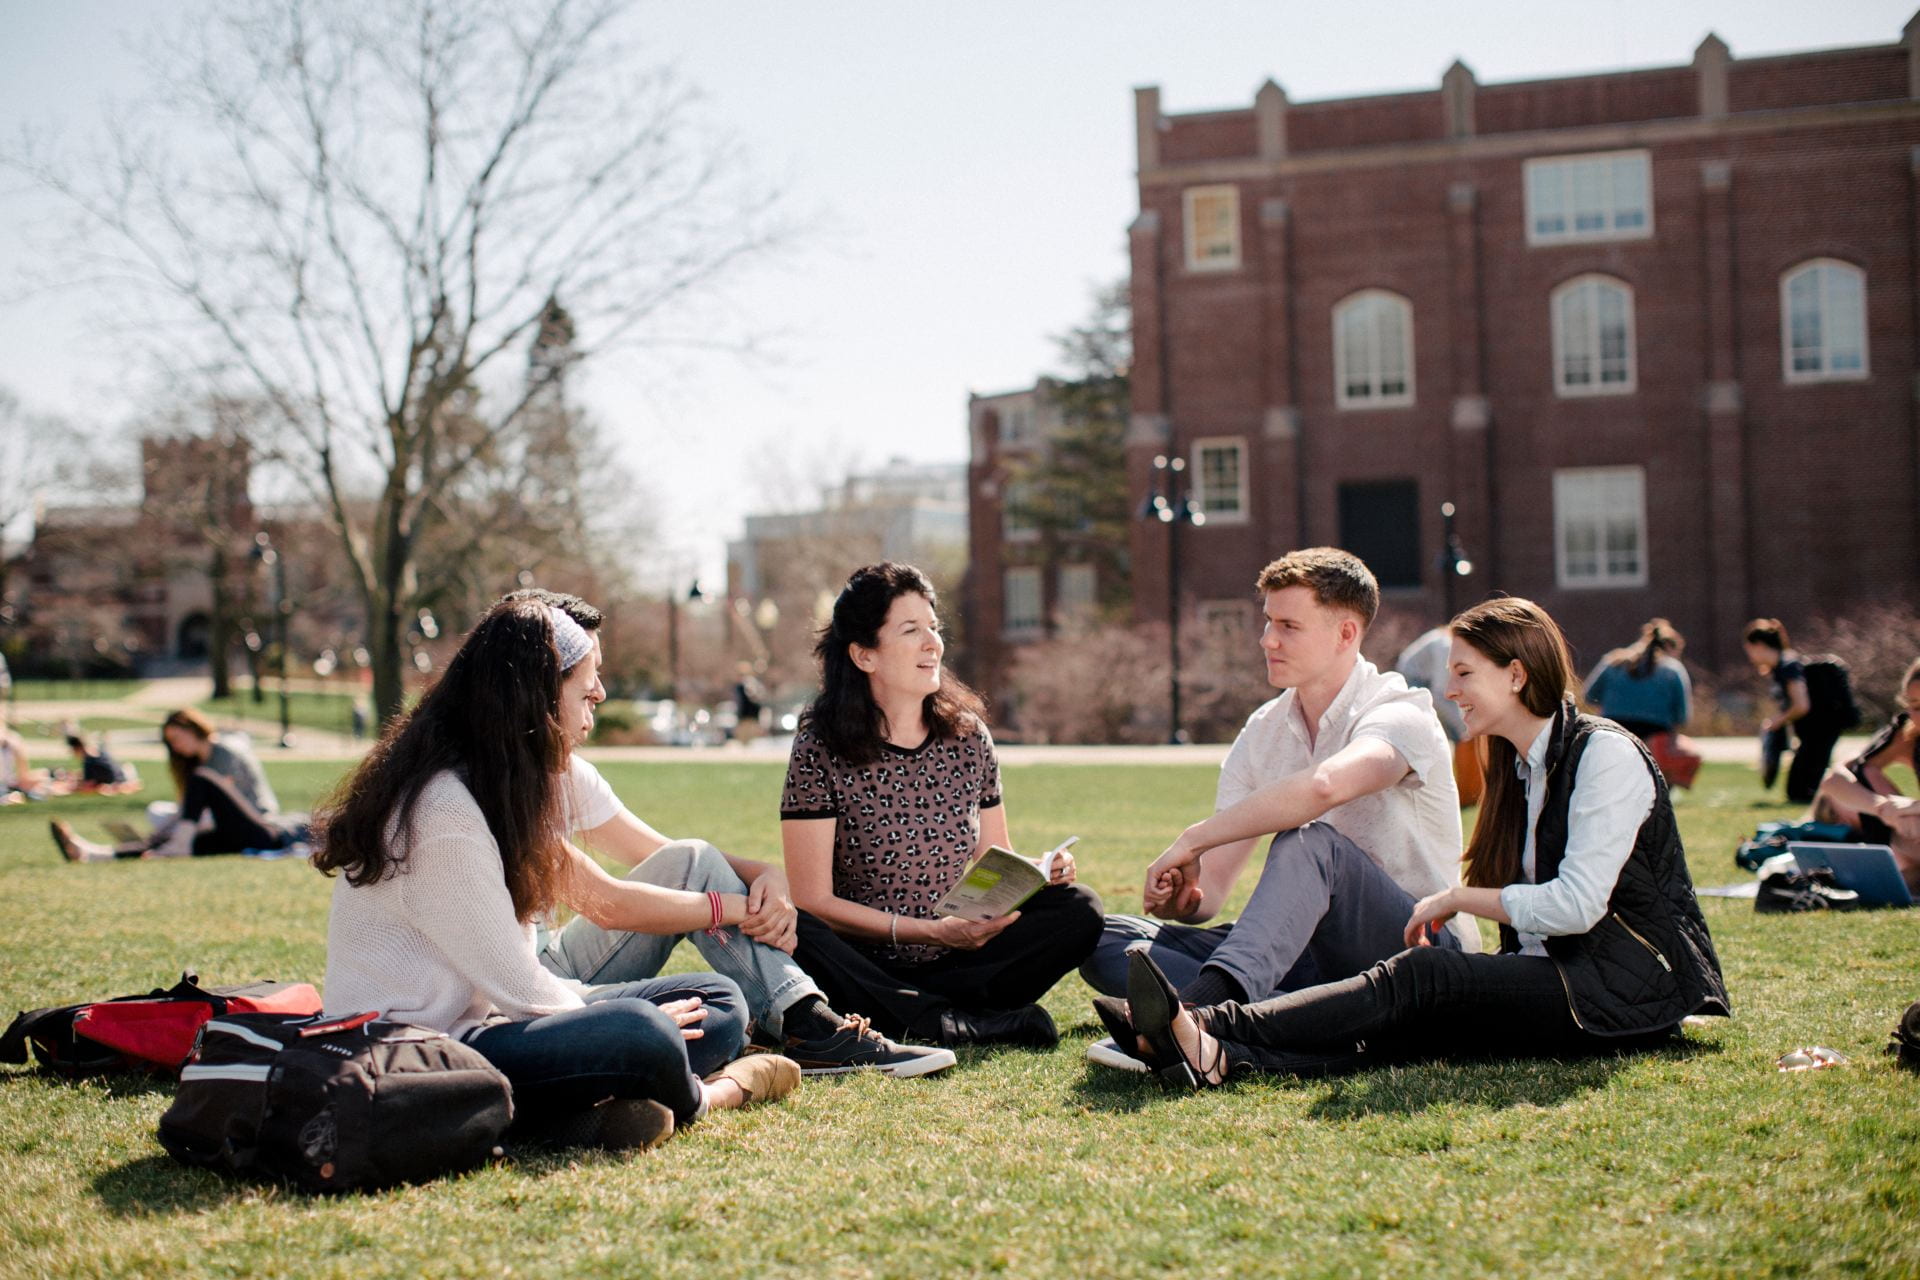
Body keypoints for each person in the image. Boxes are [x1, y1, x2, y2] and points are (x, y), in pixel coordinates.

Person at [1108, 595, 1730, 1088]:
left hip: (1619, 990)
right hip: (1551, 975)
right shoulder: (1518, 768)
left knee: (1421, 980)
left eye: (1464, 673)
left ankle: (1202, 1025)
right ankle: (1220, 1055)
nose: (1450, 690)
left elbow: (1577, 907)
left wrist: (1461, 899)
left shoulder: (1605, 756)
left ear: (1516, 675)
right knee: (1410, 1024)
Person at [315, 597, 800, 1153]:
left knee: (718, 1001)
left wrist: (612, 1013)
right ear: (537, 699)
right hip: (422, 1051)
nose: (596, 703)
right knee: (645, 1035)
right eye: (586, 691)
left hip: (489, 1024)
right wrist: (624, 1019)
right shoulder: (443, 813)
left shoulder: (498, 789)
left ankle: (573, 1110)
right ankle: (713, 1094)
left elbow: (520, 983)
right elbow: (518, 986)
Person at [507, 588, 952, 1079]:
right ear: (541, 680)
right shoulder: (490, 783)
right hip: (513, 988)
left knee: (695, 863)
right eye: (587, 674)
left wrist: (766, 873)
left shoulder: (564, 772)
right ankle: (805, 1026)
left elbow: (673, 861)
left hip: (550, 958)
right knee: (718, 1006)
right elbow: (608, 903)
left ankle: (807, 1021)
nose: (600, 690)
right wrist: (734, 907)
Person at [1079, 549, 1476, 1072]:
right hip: (1304, 956)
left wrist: (1194, 838)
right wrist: (1184, 900)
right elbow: (1212, 894)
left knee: (1310, 843)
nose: (1268, 639)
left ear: (1346, 634)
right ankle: (1288, 1015)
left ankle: (1198, 1014)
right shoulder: (1263, 731)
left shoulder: (1402, 714)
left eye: (1289, 625)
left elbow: (1328, 785)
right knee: (1104, 937)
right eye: (1268, 622)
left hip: (1413, 948)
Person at [780, 562, 1104, 1051]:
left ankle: (921, 1016)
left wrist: (1041, 871)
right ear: (864, 655)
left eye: (935, 627)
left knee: (1079, 909)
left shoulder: (969, 737)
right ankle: (950, 1021)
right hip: (865, 961)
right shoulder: (819, 747)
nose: (933, 642)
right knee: (796, 928)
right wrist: (932, 933)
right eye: (912, 630)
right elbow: (814, 900)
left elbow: (996, 858)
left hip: (960, 956)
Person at [51, 708, 304, 860]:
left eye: (176, 738)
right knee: (171, 839)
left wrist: (179, 828)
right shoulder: (196, 762)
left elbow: (224, 804)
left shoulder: (224, 752)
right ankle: (94, 854)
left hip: (257, 823)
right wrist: (166, 833)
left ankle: (179, 841)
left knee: (196, 790)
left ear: (191, 728)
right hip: (233, 835)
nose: (175, 746)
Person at [1813, 656, 1920, 894]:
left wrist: (1911, 808)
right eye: (1913, 706)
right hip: (1910, 833)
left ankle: (1906, 878)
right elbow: (1834, 779)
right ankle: (1903, 878)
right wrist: (1883, 808)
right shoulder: (1908, 732)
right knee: (1864, 771)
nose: (1917, 715)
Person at [1744, 619, 1857, 804]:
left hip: (1822, 728)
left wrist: (1778, 721)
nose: (1750, 656)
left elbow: (1801, 705)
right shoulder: (1783, 665)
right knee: (1799, 789)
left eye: (1749, 649)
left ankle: (1845, 803)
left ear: (1759, 646)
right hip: (1815, 731)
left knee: (1802, 790)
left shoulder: (1788, 666)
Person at [1583, 618, 1700, 788]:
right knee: (1689, 754)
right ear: (1671, 648)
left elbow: (1589, 695)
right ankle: (1662, 793)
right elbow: (1682, 715)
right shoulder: (1672, 669)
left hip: (1612, 730)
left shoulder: (1613, 661)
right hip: (1655, 736)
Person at [1395, 624, 1485, 805]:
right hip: (1412, 684)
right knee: (1455, 733)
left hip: (1423, 682)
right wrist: (1462, 726)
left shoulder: (1449, 642)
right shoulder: (1446, 646)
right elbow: (1439, 693)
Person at [63, 729, 142, 794]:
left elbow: (88, 784)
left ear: (76, 748)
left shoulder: (88, 760)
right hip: (123, 775)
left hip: (116, 781)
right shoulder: (97, 751)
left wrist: (72, 787)